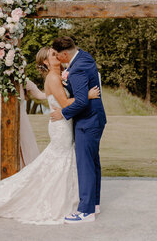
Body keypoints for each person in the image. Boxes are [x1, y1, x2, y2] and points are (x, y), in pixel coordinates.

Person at [0, 47, 99, 225]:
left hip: (62, 121)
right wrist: (87, 95)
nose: (58, 56)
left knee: (61, 159)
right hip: (60, 125)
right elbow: (63, 101)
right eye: (53, 55)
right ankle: (60, 198)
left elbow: (45, 95)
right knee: (60, 158)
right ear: (45, 62)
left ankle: (69, 195)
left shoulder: (47, 78)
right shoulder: (51, 78)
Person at [51, 36, 106, 223]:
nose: (58, 59)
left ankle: (85, 211)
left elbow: (82, 101)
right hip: (97, 119)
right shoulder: (84, 57)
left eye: (58, 56)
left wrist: (63, 113)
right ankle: (95, 204)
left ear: (65, 54)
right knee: (93, 162)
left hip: (87, 122)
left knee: (85, 165)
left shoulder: (76, 70)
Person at [0, 79, 46, 184]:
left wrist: (55, 91)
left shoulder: (25, 82)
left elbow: (40, 95)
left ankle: (22, 173)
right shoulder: (1, 80)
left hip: (20, 117)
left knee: (24, 144)